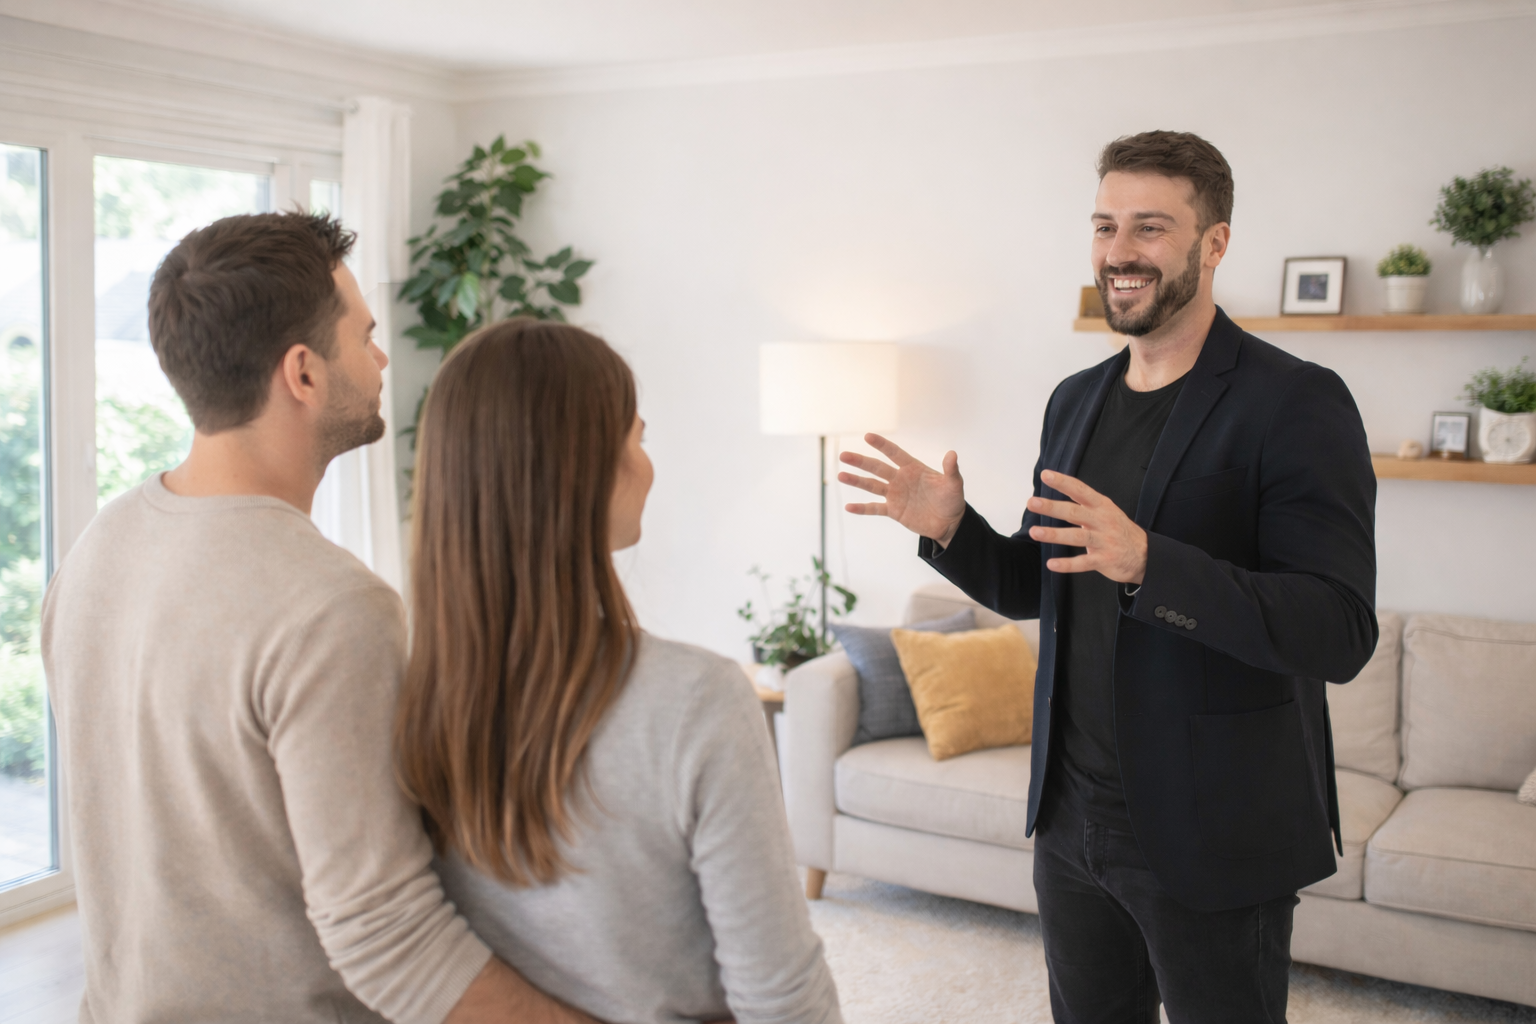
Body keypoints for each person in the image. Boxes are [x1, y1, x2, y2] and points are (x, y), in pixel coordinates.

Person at [838, 131, 1377, 1022]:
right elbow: (1036, 583)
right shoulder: (1076, 398)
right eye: (1105, 225)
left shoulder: (1295, 400)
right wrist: (950, 529)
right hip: (1072, 821)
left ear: (1214, 243)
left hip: (1213, 829)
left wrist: (1152, 564)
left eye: (1151, 228)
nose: (1119, 252)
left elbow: (1339, 629)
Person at [43, 212, 594, 1024]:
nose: (379, 361)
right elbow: (388, 934)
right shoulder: (334, 608)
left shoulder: (96, 548)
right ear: (302, 373)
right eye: (364, 337)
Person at [397, 319, 842, 1024]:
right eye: (637, 437)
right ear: (579, 469)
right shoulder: (698, 701)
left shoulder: (407, 695)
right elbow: (782, 1001)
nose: (648, 463)